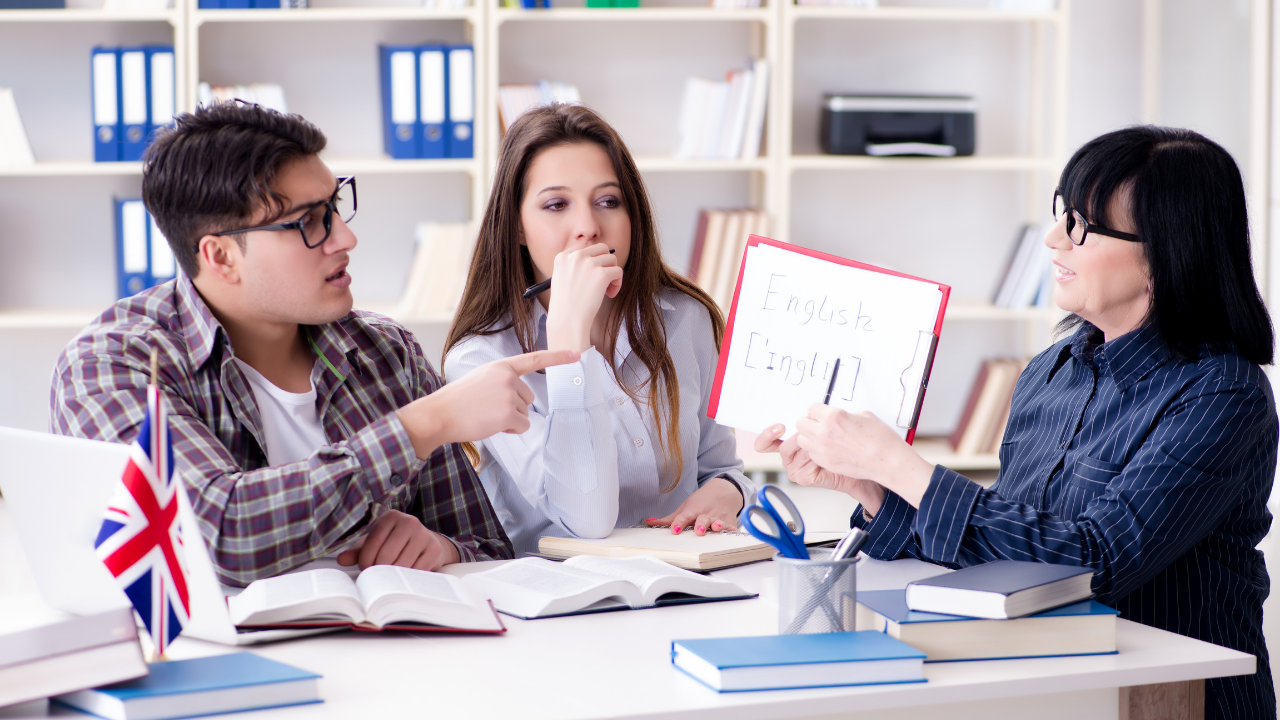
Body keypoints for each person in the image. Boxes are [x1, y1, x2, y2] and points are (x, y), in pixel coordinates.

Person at [756, 125, 1277, 718]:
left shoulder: (1223, 392)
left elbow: (1096, 564)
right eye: (1061, 213)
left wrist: (901, 465)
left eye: (1081, 225)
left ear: (1165, 250)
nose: (1054, 239)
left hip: (1172, 701)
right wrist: (875, 490)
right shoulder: (1052, 369)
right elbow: (1009, 553)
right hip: (1050, 688)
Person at [50, 102, 578, 587]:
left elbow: (488, 552)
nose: (344, 238)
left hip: (400, 666)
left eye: (335, 205)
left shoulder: (386, 354)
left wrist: (443, 550)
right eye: (307, 222)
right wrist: (422, 425)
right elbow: (215, 533)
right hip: (210, 675)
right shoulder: (111, 366)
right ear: (220, 257)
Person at [442, 104, 752, 557]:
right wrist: (571, 336)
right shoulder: (481, 359)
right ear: (518, 229)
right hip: (562, 605)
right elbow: (585, 521)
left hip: (685, 587)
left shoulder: (686, 318)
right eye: (556, 205)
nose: (588, 227)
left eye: (609, 201)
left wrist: (728, 491)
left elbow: (721, 466)